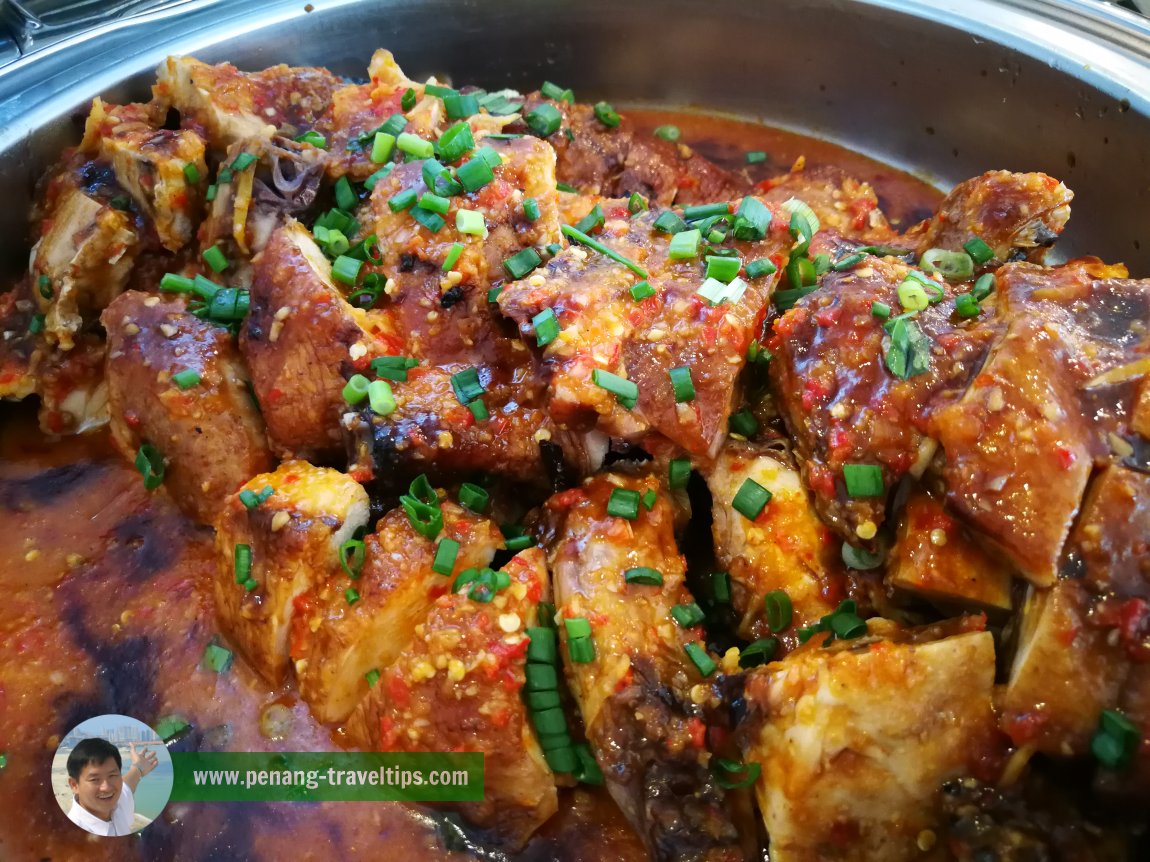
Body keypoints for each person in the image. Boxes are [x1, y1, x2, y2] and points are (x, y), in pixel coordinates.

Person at [65, 737, 159, 836]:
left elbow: (128, 784)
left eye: (112, 775)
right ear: (74, 785)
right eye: (95, 779)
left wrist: (138, 767)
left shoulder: (117, 804)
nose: (106, 788)